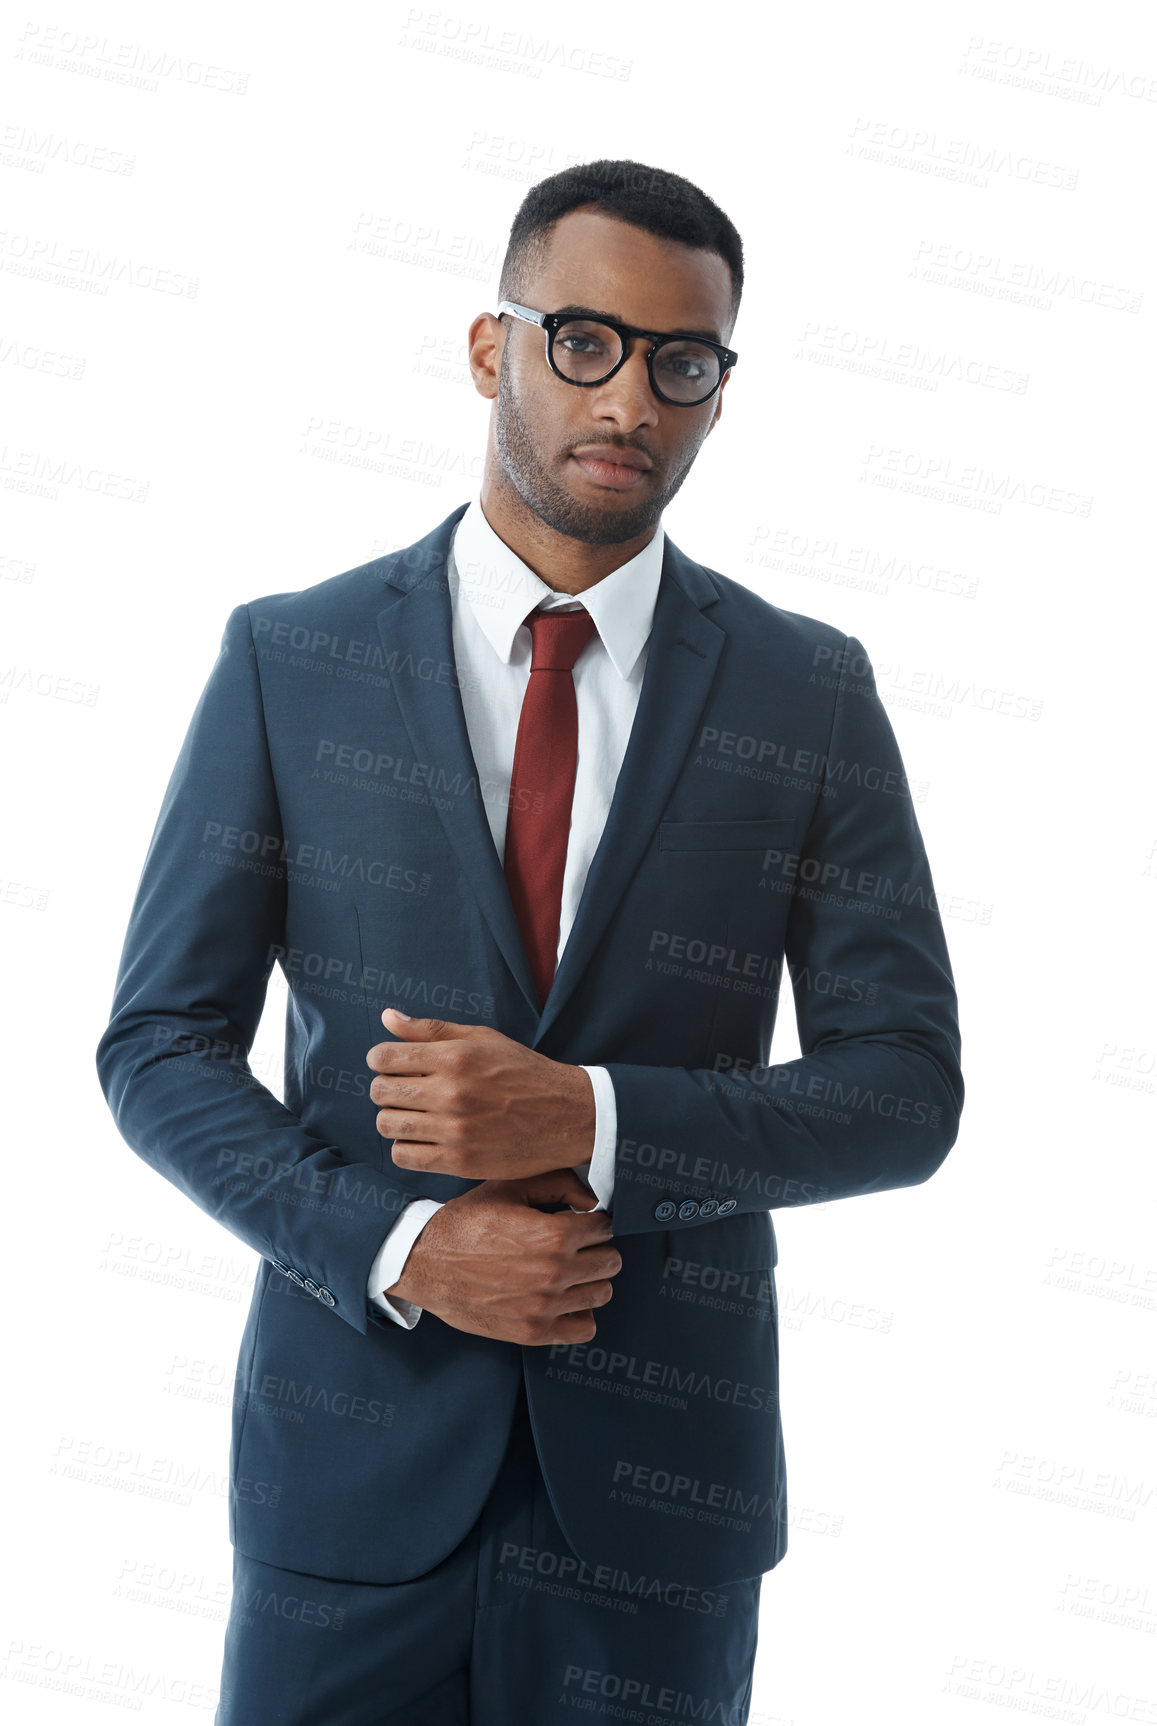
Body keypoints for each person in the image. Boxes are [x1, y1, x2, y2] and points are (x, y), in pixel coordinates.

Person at [95, 157, 964, 1725]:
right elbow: (158, 1043)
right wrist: (399, 1242)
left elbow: (903, 1090)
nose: (628, 397)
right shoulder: (293, 660)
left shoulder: (806, 693)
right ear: (492, 349)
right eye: (583, 340)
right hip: (346, 1493)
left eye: (679, 362)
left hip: (655, 1518)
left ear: (715, 390)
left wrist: (592, 1117)